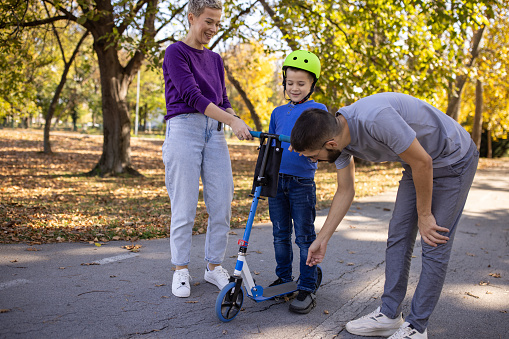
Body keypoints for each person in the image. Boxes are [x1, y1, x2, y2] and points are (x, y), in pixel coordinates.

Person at [290, 92, 478, 338]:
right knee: (398, 236)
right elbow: (345, 190)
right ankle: (389, 315)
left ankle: (417, 327)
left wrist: (424, 215)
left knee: (434, 240)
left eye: (314, 156)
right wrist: (323, 238)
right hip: (416, 165)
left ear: (330, 144)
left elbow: (424, 162)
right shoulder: (341, 142)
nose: (314, 161)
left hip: (453, 160)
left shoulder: (375, 119)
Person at [162, 0, 253, 298]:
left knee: (221, 204)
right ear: (192, 18)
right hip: (183, 130)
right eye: (208, 21)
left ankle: (213, 267)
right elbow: (192, 96)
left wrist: (234, 119)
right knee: (185, 206)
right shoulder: (176, 52)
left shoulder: (215, 59)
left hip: (214, 134)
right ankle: (180, 270)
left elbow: (222, 98)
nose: (213, 29)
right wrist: (232, 120)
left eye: (217, 23)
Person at [267, 50, 327, 314]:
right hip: (276, 180)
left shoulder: (318, 110)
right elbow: (270, 145)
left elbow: (324, 143)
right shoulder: (277, 112)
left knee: (304, 237)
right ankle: (284, 278)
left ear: (312, 84)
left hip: (302, 182)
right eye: (290, 83)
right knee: (280, 234)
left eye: (301, 84)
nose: (294, 88)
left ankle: (306, 286)